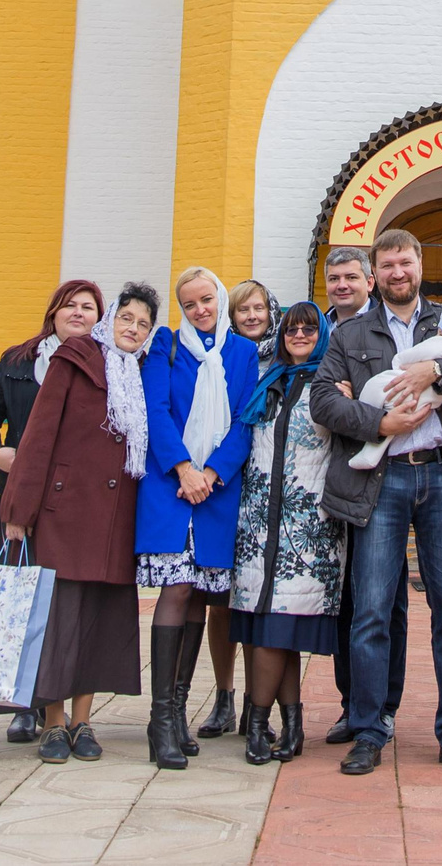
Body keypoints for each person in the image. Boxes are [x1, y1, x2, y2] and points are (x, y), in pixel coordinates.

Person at [310, 227, 442, 776]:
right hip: (383, 482)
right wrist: (380, 420)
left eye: (406, 263)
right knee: (370, 611)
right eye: (387, 265)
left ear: (420, 266)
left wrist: (435, 369)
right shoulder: (351, 334)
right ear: (376, 275)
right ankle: (369, 730)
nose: (398, 273)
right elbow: (323, 401)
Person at [0, 283, 154, 764]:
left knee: (97, 621)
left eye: (143, 324)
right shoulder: (77, 358)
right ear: (112, 320)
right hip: (65, 511)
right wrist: (18, 512)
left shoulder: (140, 373)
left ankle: (84, 721)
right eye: (127, 318)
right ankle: (52, 722)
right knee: (58, 620)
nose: (133, 329)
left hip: (116, 517)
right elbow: (39, 435)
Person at [0, 279, 102, 742]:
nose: (79, 314)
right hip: (20, 496)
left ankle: (51, 704)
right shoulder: (18, 362)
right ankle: (22, 700)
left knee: (63, 606)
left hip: (72, 504)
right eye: (71, 305)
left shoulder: (105, 367)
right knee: (22, 600)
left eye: (89, 307)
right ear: (54, 312)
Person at [137, 268, 262, 770]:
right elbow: (155, 410)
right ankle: (162, 719)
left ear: (221, 298)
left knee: (200, 595)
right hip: (171, 484)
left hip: (217, 489)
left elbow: (247, 420)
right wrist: (184, 469)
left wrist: (212, 473)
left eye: (207, 300)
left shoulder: (244, 353)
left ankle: (179, 713)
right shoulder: (166, 346)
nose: (200, 310)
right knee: (176, 591)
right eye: (189, 304)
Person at [228, 300, 342, 764]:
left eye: (309, 329)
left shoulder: (332, 387)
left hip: (306, 528)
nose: (298, 335)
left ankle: (257, 723)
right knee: (271, 630)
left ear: (323, 335)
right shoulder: (266, 382)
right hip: (258, 524)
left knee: (280, 628)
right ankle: (291, 727)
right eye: (292, 329)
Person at [317, 245, 407, 740]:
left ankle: (382, 705)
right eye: (335, 278)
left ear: (370, 281)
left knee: (384, 600)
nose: (343, 285)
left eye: (352, 276)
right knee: (345, 599)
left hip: (378, 479)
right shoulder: (313, 327)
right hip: (330, 480)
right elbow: (322, 399)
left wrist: (356, 405)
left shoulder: (393, 329)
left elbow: (395, 396)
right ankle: (351, 702)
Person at [203, 278, 278, 740]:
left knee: (256, 600)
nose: (252, 316)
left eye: (259, 308)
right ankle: (223, 696)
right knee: (220, 600)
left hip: (268, 485)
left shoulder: (285, 352)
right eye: (243, 310)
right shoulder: (220, 354)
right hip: (225, 482)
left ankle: (257, 703)